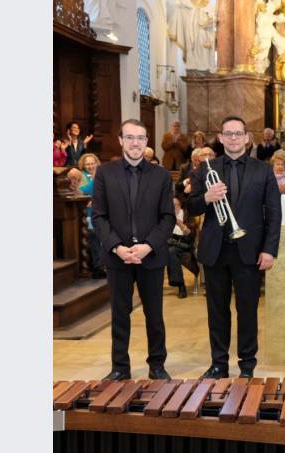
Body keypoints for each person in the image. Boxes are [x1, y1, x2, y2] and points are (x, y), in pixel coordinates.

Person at [188, 115, 282, 379]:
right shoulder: (206, 168)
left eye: (238, 133)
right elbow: (191, 206)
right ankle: (218, 363)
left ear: (246, 137)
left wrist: (269, 249)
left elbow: (274, 213)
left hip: (249, 250)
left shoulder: (262, 170)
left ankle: (247, 364)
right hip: (215, 250)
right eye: (227, 134)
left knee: (248, 310)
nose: (233, 138)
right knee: (217, 310)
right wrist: (206, 197)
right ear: (220, 138)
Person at [92, 119, 176, 381]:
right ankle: (120, 367)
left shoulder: (161, 175)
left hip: (150, 256)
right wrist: (117, 247)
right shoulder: (105, 173)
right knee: (119, 313)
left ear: (147, 142)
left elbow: (167, 218)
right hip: (118, 257)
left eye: (140, 138)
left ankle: (157, 364)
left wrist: (147, 246)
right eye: (130, 137)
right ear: (120, 140)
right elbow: (99, 216)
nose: (135, 142)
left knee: (154, 314)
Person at [78, 153, 105, 279]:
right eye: (87, 164)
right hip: (86, 215)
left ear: (97, 163)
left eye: (92, 163)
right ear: (83, 165)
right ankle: (98, 267)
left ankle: (105, 265)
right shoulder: (81, 176)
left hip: (102, 212)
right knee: (94, 236)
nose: (90, 166)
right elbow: (81, 191)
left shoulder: (103, 174)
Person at [166, 195, 198, 298]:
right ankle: (181, 285)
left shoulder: (187, 215)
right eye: (172, 205)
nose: (174, 207)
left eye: (176, 205)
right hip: (171, 245)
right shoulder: (166, 217)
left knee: (171, 251)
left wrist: (181, 225)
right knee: (171, 251)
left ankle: (180, 285)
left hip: (185, 245)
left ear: (180, 205)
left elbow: (192, 236)